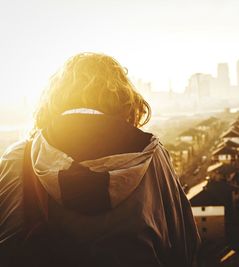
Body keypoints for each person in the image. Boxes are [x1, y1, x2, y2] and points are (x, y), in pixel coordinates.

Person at [0, 53, 200, 266]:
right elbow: (184, 245)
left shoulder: (18, 159)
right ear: (124, 100)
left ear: (53, 100)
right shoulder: (151, 156)